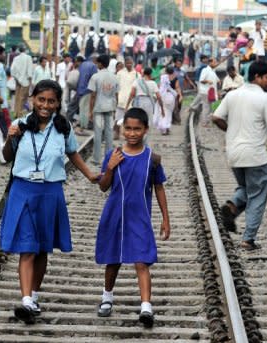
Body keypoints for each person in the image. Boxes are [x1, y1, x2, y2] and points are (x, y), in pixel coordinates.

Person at [0, 79, 98, 324]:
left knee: (43, 247)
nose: (45, 105)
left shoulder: (63, 128)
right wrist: (9, 138)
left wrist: (91, 175)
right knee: (27, 247)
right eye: (41, 99)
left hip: (50, 192)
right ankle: (25, 301)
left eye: (51, 101)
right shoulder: (20, 125)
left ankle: (33, 297)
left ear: (57, 104)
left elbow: (72, 154)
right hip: (22, 190)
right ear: (33, 99)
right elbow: (7, 156)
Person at [95, 107, 170, 328]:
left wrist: (166, 218)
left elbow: (159, 188)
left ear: (146, 130)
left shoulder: (151, 159)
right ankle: (107, 297)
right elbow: (103, 186)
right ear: (122, 129)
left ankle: (146, 306)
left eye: (137, 129)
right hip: (115, 215)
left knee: (142, 260)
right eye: (128, 128)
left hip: (140, 217)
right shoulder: (114, 155)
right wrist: (109, 168)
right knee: (113, 259)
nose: (132, 133)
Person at [213, 61, 267, 250]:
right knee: (258, 196)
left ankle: (232, 206)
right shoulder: (264, 99)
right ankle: (248, 239)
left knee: (246, 187)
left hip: (234, 154)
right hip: (255, 156)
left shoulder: (232, 95)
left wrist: (231, 132)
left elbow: (216, 117)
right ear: (257, 77)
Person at [88, 54, 119, 165]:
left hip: (98, 108)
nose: (97, 64)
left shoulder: (95, 77)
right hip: (110, 108)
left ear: (100, 64)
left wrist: (90, 111)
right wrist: (115, 109)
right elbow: (116, 95)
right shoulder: (114, 77)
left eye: (97, 63)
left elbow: (93, 96)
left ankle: (96, 159)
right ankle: (109, 158)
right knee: (109, 133)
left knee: (98, 133)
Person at [125, 67, 164, 131]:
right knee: (148, 121)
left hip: (138, 102)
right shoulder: (153, 83)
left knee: (138, 120)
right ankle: (146, 138)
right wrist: (162, 109)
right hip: (149, 103)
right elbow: (159, 97)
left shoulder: (137, 82)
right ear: (150, 74)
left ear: (143, 73)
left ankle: (138, 136)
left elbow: (132, 94)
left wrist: (127, 106)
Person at [115, 57, 139, 139]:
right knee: (117, 119)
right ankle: (116, 134)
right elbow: (116, 87)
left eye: (130, 63)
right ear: (125, 63)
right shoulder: (120, 73)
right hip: (121, 99)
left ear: (133, 63)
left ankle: (128, 135)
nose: (129, 64)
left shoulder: (136, 74)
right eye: (127, 63)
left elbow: (138, 87)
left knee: (129, 120)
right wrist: (116, 98)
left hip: (131, 101)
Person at [75, 53, 98, 134]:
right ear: (95, 59)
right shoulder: (93, 66)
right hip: (88, 90)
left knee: (82, 108)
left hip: (80, 89)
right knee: (86, 109)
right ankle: (83, 127)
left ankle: (82, 125)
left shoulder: (82, 65)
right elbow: (94, 79)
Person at [192, 58, 219, 126]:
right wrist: (207, 81)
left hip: (210, 91)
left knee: (209, 107)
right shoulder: (205, 70)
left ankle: (207, 121)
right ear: (210, 63)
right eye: (214, 62)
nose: (215, 64)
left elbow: (215, 78)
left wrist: (218, 80)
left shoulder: (212, 70)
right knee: (206, 107)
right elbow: (201, 80)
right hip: (205, 91)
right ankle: (204, 122)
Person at [11, 45, 34, 117]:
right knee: (23, 98)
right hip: (25, 81)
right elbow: (30, 70)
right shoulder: (28, 57)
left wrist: (16, 77)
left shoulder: (16, 58)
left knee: (17, 97)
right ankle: (20, 114)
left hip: (17, 80)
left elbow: (12, 69)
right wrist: (30, 81)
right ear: (25, 50)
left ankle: (16, 113)